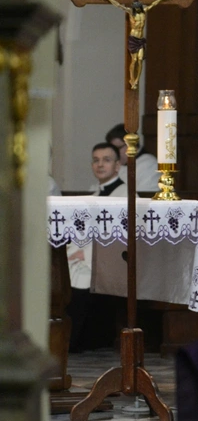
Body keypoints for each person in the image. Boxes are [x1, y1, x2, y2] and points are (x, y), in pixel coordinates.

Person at [67, 142, 128, 352]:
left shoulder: (126, 195)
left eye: (106, 160)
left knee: (80, 274)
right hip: (86, 256)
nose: (100, 165)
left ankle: (72, 342)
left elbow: (122, 237)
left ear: (118, 165)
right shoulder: (93, 196)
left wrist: (85, 254)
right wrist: (72, 253)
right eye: (96, 160)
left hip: (112, 261)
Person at [100, 0, 171, 89]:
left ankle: (137, 80)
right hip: (133, 39)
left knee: (140, 60)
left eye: (138, 7)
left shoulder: (144, 12)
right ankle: (132, 79)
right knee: (134, 60)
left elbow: (153, 4)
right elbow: (118, 5)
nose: (137, 9)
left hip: (140, 40)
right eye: (136, 8)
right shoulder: (130, 12)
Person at [106, 123, 160, 192]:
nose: (114, 153)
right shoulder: (117, 163)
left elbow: (144, 195)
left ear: (132, 144)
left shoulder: (149, 165)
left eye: (118, 148)